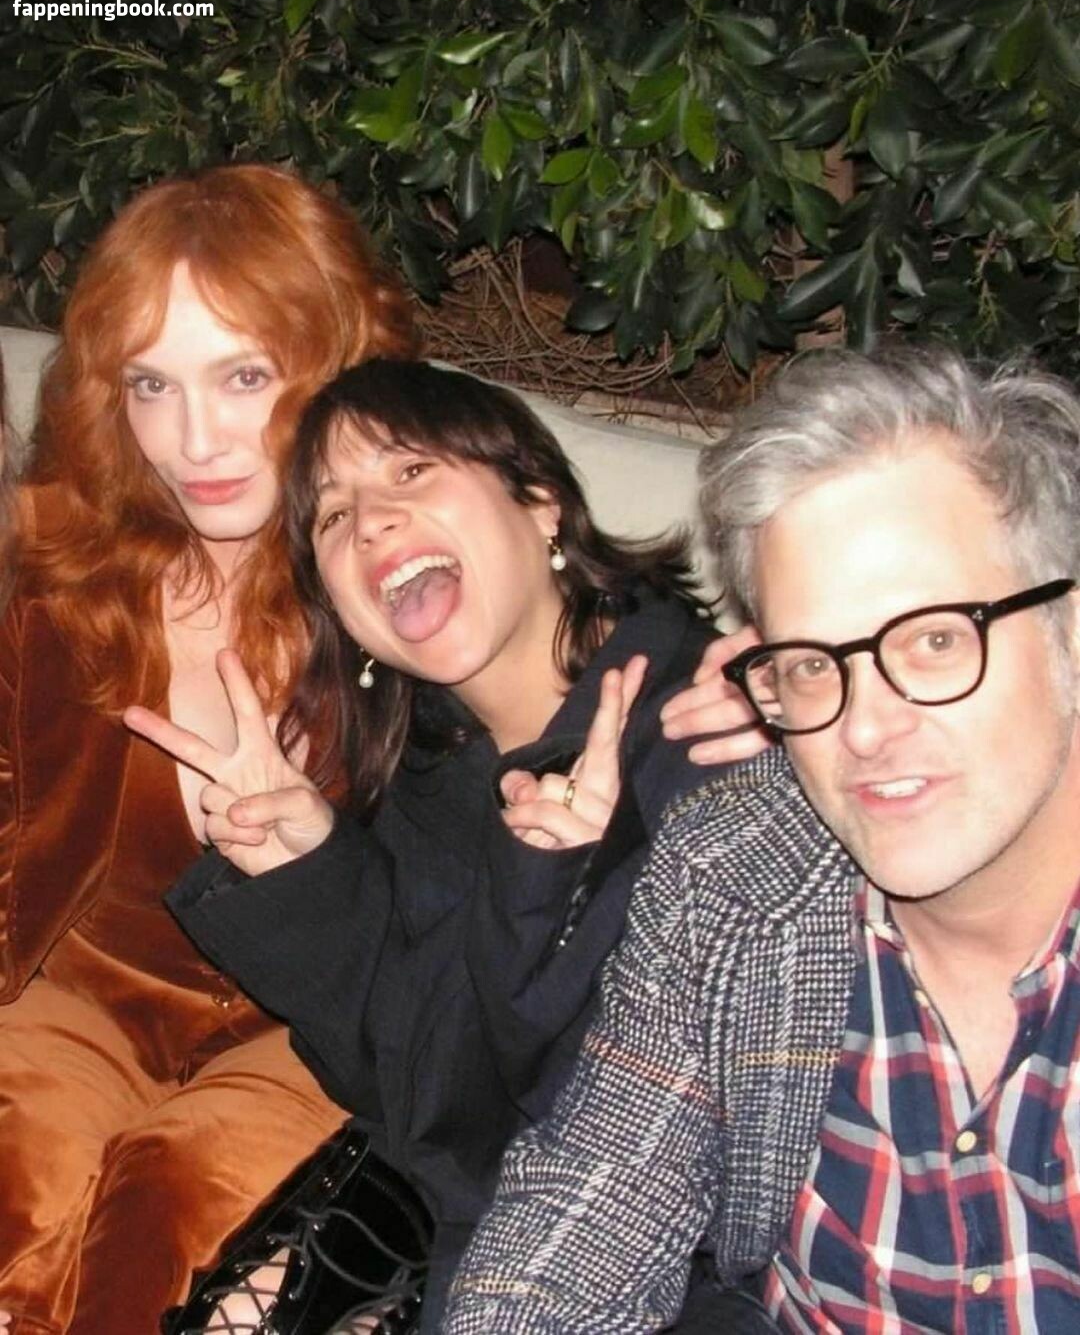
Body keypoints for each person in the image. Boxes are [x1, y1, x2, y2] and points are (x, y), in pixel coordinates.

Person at [443, 346, 1080, 1333]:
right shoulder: (737, 870)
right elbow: (590, 1205)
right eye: (815, 664)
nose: (866, 728)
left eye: (935, 640)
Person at [123, 358, 748, 1332]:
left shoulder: (710, 731)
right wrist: (309, 868)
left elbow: (629, 1147)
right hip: (455, 1241)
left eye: (410, 471)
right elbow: (416, 1084)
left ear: (539, 502)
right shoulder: (433, 775)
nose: (369, 522)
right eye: (333, 516)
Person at [0, 163, 416, 1334]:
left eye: (244, 376)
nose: (195, 440)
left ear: (335, 365)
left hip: (304, 1036)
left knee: (165, 1210)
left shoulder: (410, 590)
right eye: (151, 383)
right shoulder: (59, 563)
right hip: (80, 989)